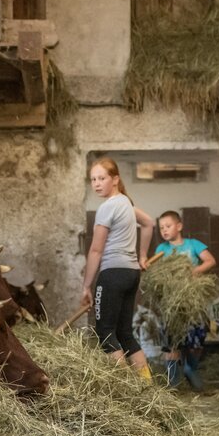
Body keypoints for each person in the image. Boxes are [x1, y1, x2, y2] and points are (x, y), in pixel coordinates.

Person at [81, 157, 155, 380]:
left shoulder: (107, 208)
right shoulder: (126, 203)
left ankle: (126, 389)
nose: (96, 183)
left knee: (105, 333)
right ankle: (147, 386)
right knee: (124, 333)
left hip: (112, 274)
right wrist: (141, 256)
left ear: (115, 179)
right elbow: (150, 223)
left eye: (102, 178)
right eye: (93, 179)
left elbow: (96, 250)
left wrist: (86, 286)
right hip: (131, 273)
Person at [153, 211, 216, 390]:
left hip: (193, 302)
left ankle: (191, 368)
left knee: (196, 340)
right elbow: (155, 271)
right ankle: (174, 383)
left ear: (179, 226)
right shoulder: (161, 250)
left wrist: (192, 273)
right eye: (161, 228)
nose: (164, 230)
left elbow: (210, 261)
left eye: (168, 226)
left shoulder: (193, 244)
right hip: (171, 304)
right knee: (171, 342)